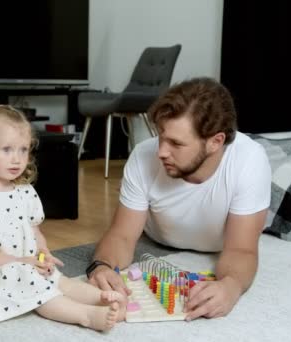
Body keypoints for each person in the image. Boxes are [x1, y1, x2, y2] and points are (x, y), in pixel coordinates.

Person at [86, 77, 272, 321]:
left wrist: (231, 286)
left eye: (176, 143)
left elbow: (241, 249)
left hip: (222, 245)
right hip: (156, 240)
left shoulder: (249, 161)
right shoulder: (143, 155)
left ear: (216, 142)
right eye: (160, 137)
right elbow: (122, 235)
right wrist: (102, 266)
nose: (161, 151)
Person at [0, 103, 124, 331]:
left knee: (59, 280)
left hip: (27, 264)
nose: (17, 159)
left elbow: (34, 231)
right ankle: (86, 316)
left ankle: (102, 298)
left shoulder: (24, 192)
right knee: (37, 289)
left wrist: (43, 252)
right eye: (7, 149)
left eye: (23, 150)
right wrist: (19, 262)